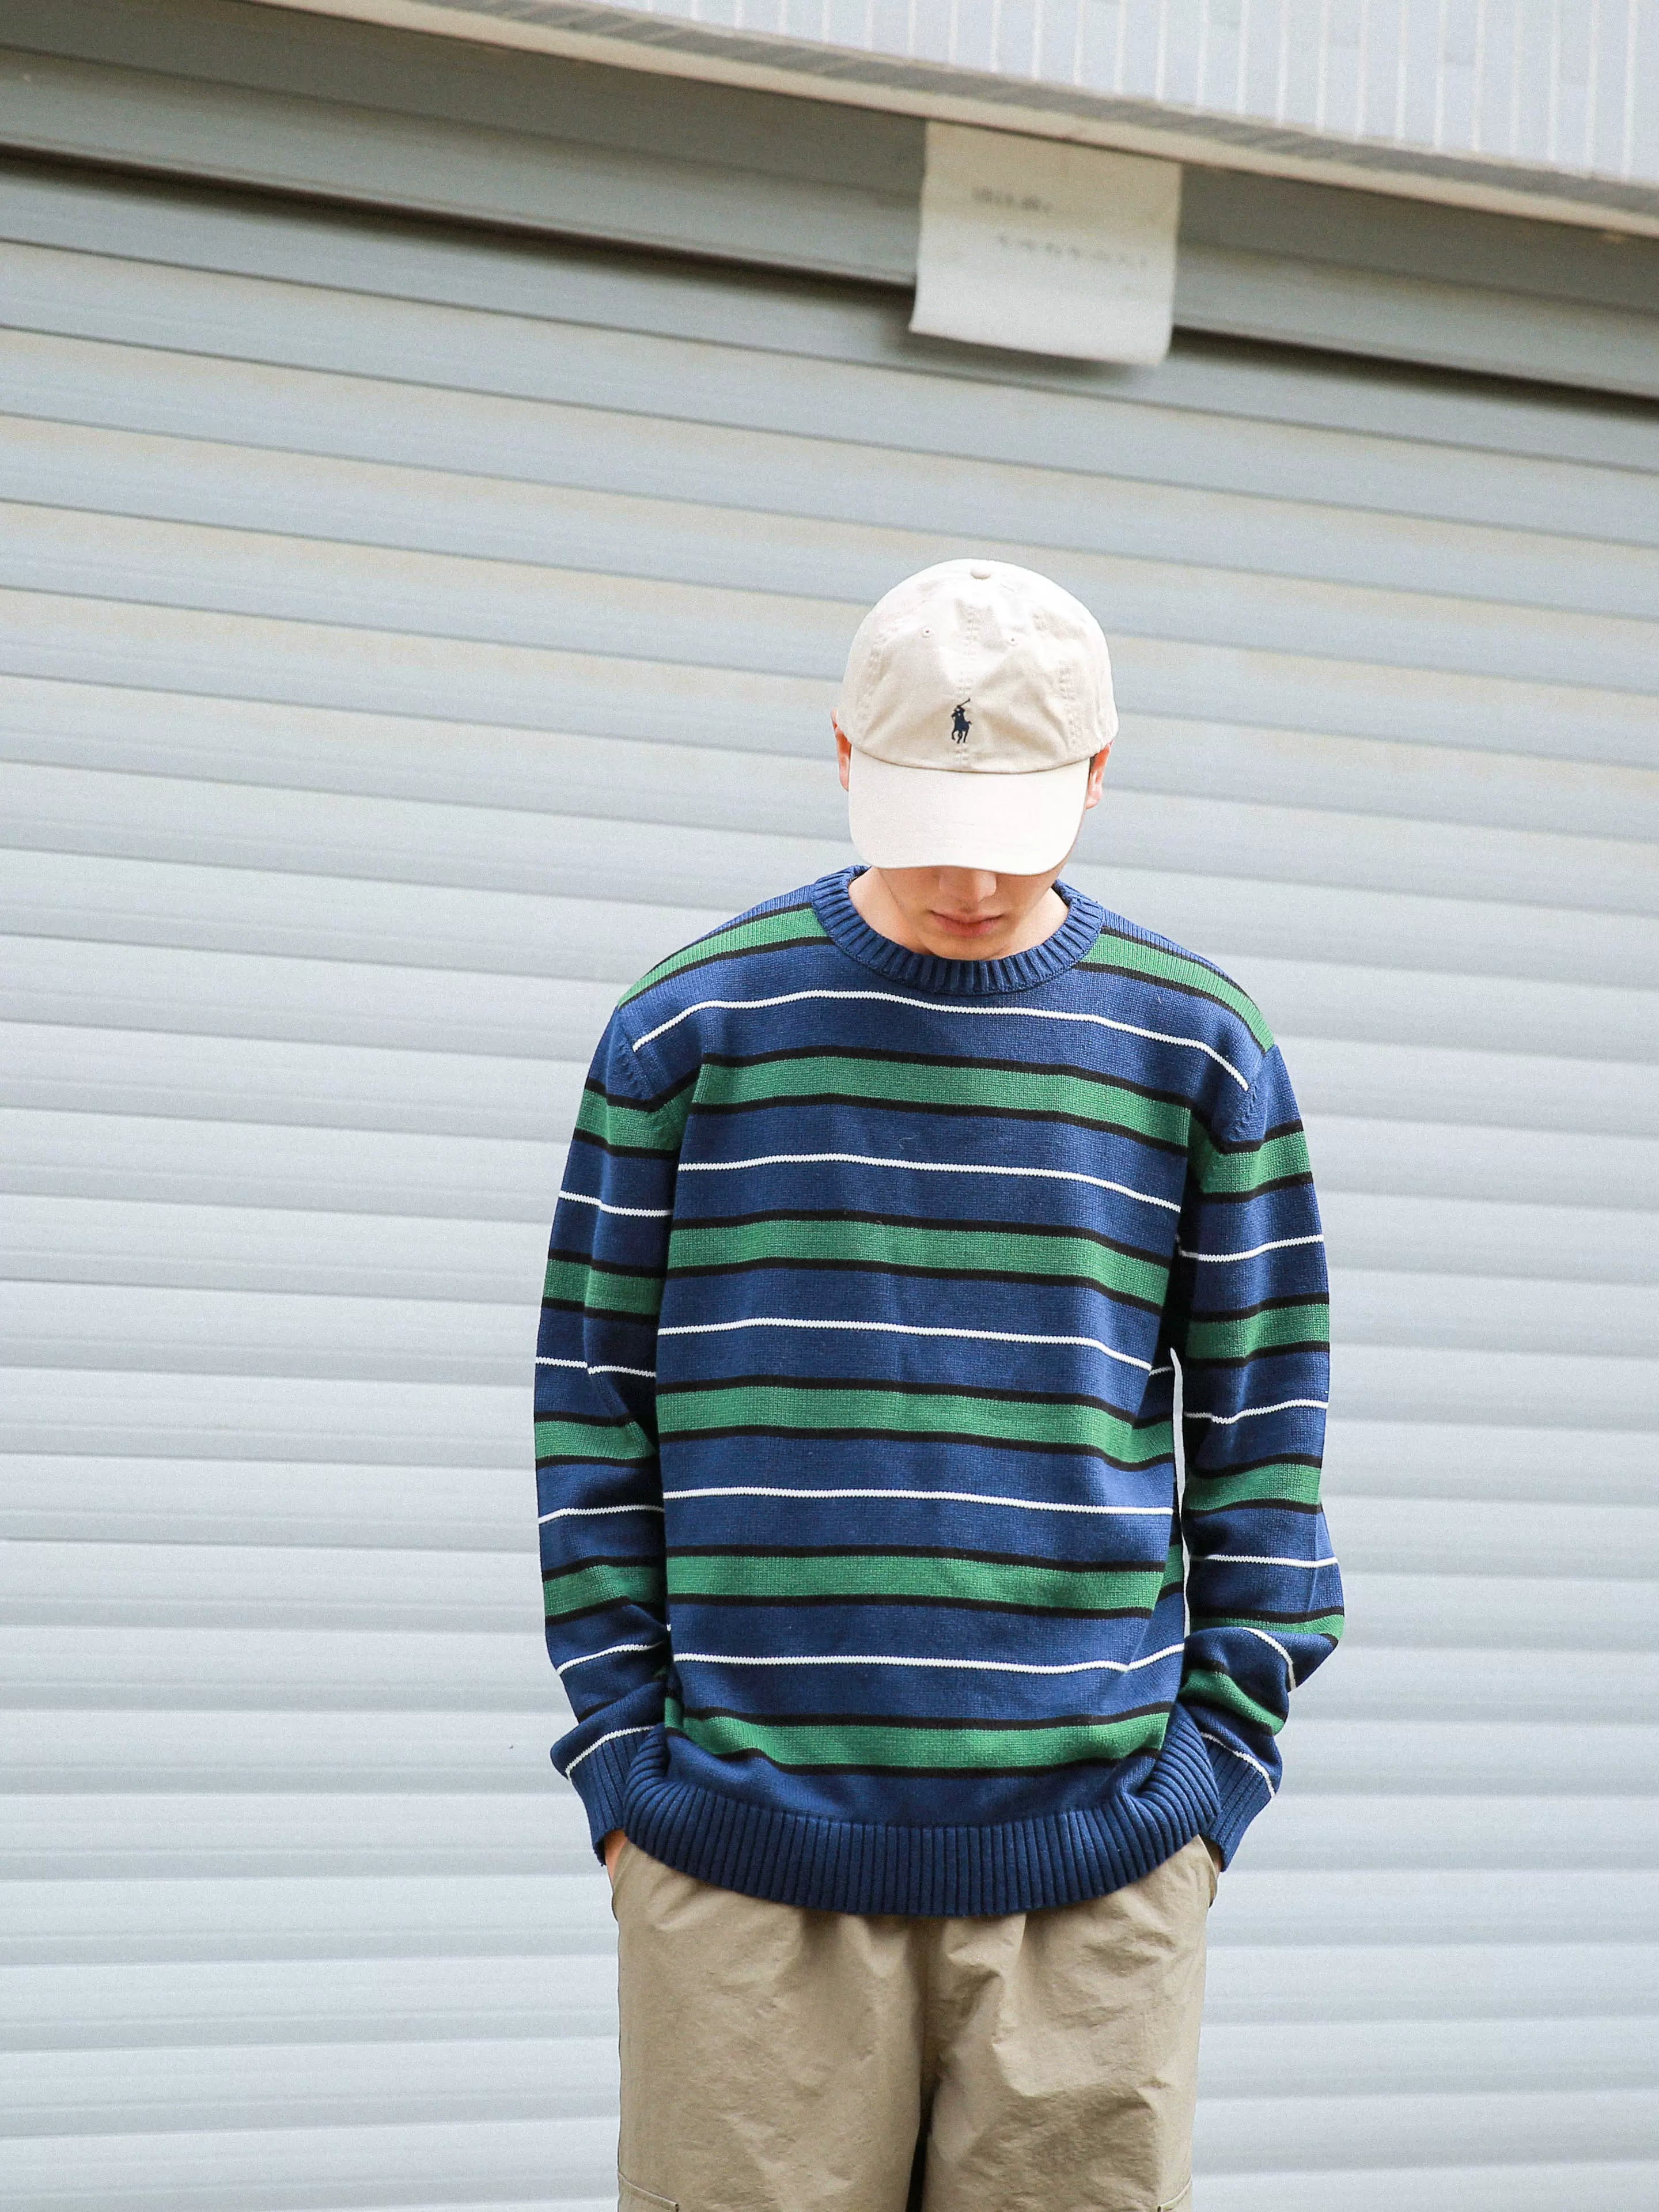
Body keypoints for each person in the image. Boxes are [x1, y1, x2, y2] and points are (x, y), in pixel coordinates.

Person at [535, 559, 1343, 2212]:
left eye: (1022, 820)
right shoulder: (687, 1031)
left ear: (1101, 772)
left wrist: (1215, 1780)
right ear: (843, 753)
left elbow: (1267, 1429)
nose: (974, 875)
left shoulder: (1198, 1046)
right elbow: (588, 1408)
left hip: (1097, 1869)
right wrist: (627, 1774)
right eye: (928, 813)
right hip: (744, 1872)